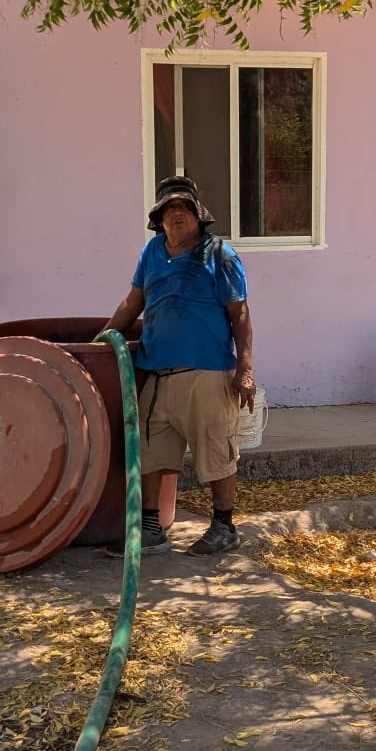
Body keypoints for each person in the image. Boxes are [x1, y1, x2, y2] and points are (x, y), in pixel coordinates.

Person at [99, 175, 255, 557]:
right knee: (150, 452)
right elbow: (132, 303)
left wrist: (245, 369)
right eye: (170, 209)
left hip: (207, 373)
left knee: (217, 451)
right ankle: (151, 529)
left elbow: (241, 315)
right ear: (160, 219)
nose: (177, 214)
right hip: (158, 372)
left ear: (199, 215)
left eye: (184, 207)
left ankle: (223, 526)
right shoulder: (152, 253)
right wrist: (101, 339)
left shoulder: (219, 255)